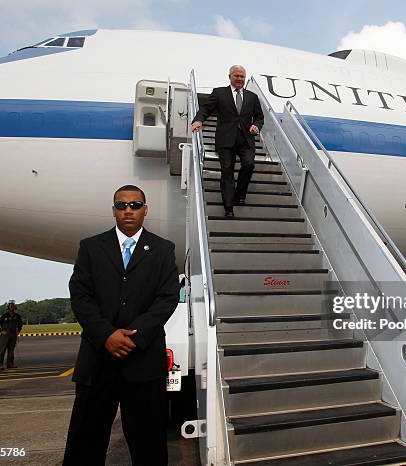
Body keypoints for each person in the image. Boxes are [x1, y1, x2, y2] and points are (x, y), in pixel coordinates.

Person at [63, 185, 179, 466]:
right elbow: (80, 295)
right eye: (122, 205)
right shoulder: (91, 247)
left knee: (148, 445)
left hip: (143, 362)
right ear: (114, 210)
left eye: (135, 205)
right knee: (85, 443)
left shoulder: (163, 249)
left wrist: (133, 337)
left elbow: (167, 299)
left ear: (145, 210)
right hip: (98, 361)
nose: (129, 210)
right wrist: (107, 335)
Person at [191, 64, 264, 217]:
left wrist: (256, 126)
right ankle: (228, 207)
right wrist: (198, 120)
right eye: (236, 75)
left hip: (246, 139)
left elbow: (259, 117)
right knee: (227, 172)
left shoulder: (252, 97)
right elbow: (206, 108)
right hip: (226, 139)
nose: (239, 79)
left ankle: (240, 194)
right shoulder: (219, 93)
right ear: (230, 76)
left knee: (249, 165)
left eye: (242, 76)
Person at [0, 301, 23, 369]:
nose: (12, 308)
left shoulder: (17, 316)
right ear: (8, 308)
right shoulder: (4, 316)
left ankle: (10, 364)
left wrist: (18, 330)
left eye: (13, 306)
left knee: (11, 350)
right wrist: (1, 331)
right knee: (2, 350)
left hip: (13, 335)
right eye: (10, 307)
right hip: (5, 335)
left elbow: (20, 324)